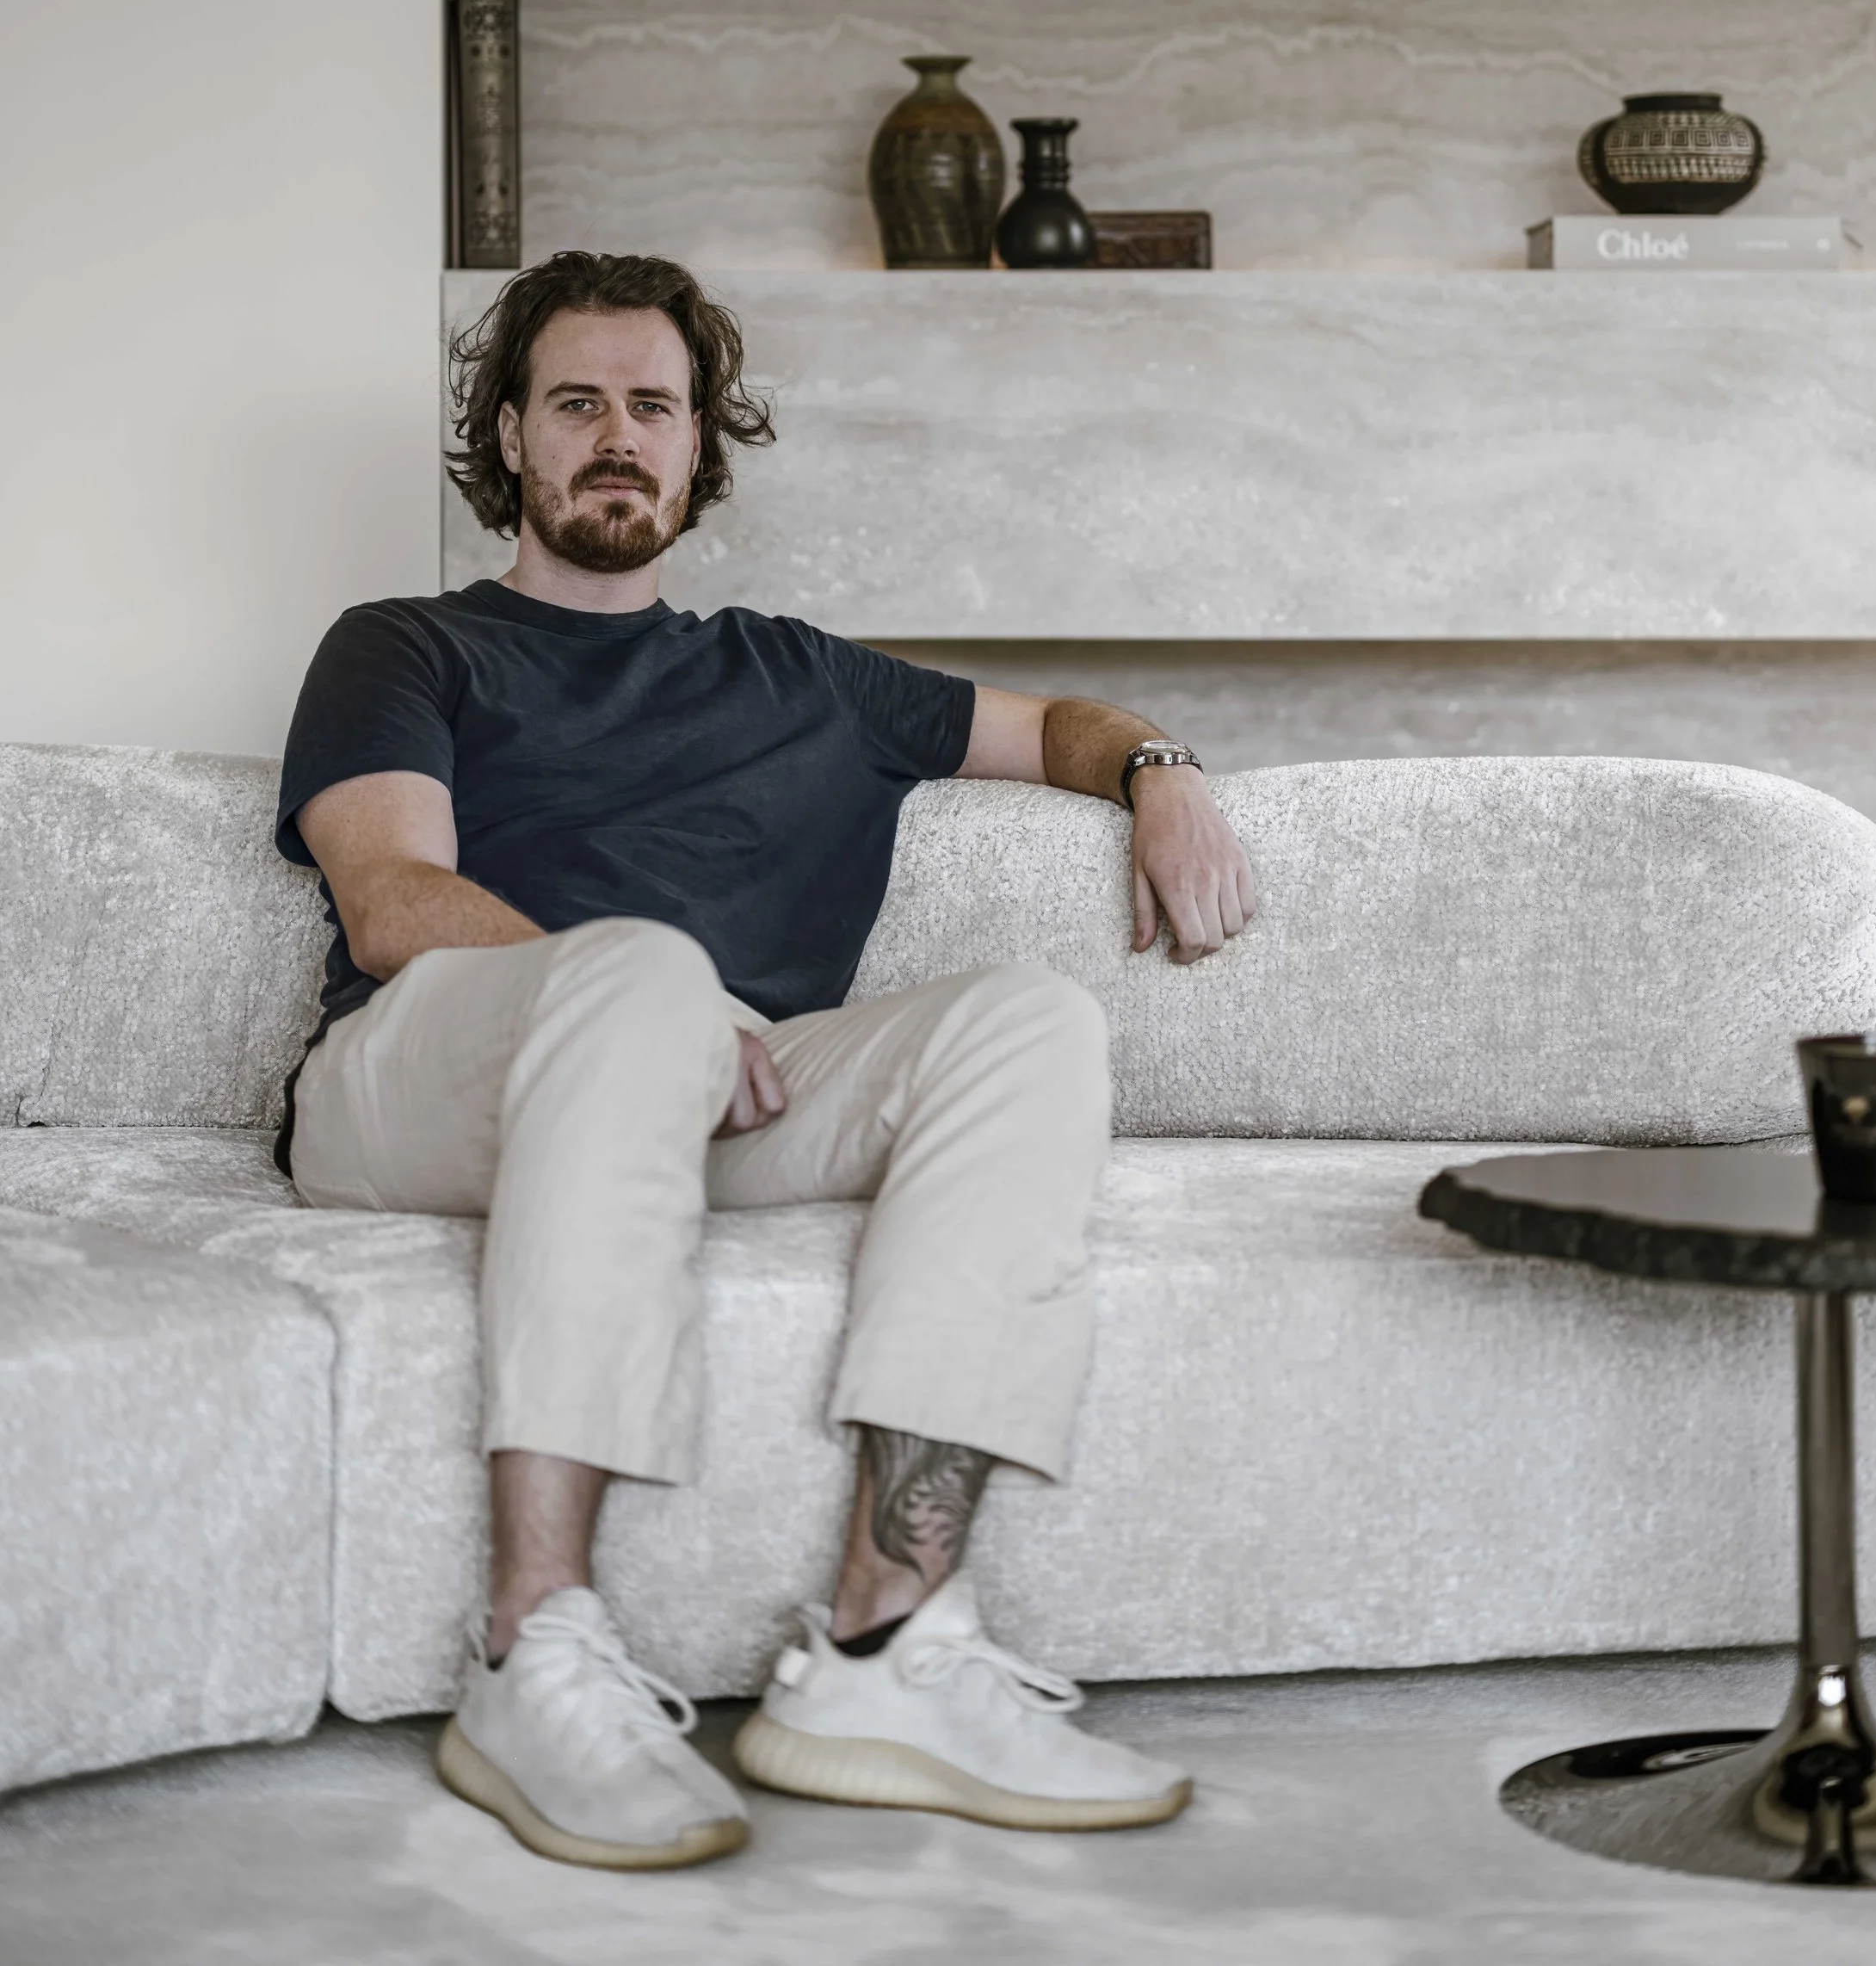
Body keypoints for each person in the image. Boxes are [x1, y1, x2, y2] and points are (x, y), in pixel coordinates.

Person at [275, 248, 1258, 1871]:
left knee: (1031, 1016)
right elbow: (391, 905)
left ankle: (886, 1650)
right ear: (511, 438)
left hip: (720, 1094)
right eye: (575, 401)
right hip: (428, 1077)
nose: (616, 434)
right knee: (649, 982)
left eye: (652, 406)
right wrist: (654, 994)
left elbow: (1053, 726)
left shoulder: (806, 676)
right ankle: (530, 1650)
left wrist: (1159, 767)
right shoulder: (405, 645)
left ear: (696, 445)